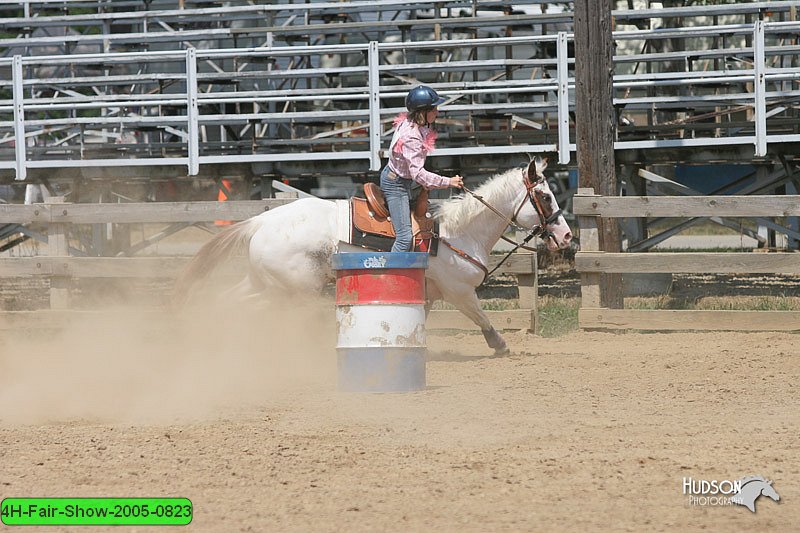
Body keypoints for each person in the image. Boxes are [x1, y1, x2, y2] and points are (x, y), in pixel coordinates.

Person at [380, 85, 464, 252]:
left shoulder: (413, 124)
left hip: (401, 178)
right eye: (433, 108)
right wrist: (449, 181)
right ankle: (390, 275)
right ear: (422, 112)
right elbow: (418, 174)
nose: (437, 112)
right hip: (396, 185)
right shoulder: (412, 136)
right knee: (404, 239)